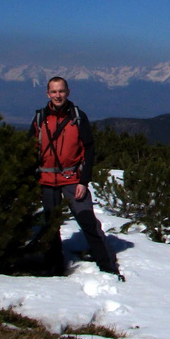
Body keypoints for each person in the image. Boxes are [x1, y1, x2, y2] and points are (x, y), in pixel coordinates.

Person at [32, 76, 122, 279]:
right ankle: (53, 268)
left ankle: (108, 268)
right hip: (47, 180)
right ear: (48, 93)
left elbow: (89, 149)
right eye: (54, 91)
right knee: (50, 226)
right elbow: (31, 149)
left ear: (68, 92)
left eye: (61, 91)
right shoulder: (40, 119)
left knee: (88, 221)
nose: (57, 95)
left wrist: (83, 181)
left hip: (72, 179)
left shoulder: (77, 117)